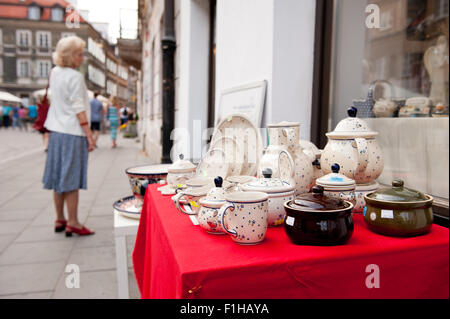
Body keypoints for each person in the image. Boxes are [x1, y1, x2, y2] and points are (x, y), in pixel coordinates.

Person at [42, 35, 96, 237]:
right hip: (73, 133)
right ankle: (73, 221)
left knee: (58, 178)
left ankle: (60, 218)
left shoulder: (54, 73)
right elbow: (78, 108)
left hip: (56, 132)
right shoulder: (75, 77)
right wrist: (89, 136)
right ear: (70, 56)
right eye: (79, 54)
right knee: (71, 180)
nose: (82, 58)